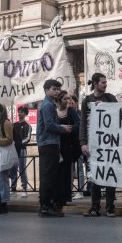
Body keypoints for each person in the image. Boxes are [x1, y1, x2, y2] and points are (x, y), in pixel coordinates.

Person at [80, 72, 118, 217]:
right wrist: (83, 143)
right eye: (103, 82)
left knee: (109, 175)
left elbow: (121, 113)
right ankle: (95, 207)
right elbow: (83, 122)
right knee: (94, 176)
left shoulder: (110, 98)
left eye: (105, 82)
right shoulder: (86, 101)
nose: (105, 84)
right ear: (95, 84)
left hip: (109, 144)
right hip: (92, 144)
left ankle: (110, 207)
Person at [38, 78, 71, 217]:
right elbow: (49, 125)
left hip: (50, 143)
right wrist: (63, 129)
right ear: (46, 90)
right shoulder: (48, 105)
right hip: (48, 143)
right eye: (54, 89)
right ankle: (45, 207)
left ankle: (48, 205)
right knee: (48, 176)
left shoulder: (49, 104)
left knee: (50, 175)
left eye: (58, 89)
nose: (57, 91)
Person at [54, 90, 80, 210]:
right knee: (57, 172)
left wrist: (70, 129)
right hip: (57, 145)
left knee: (66, 171)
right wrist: (60, 128)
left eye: (68, 99)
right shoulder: (54, 112)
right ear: (59, 100)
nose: (68, 101)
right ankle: (58, 197)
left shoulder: (71, 111)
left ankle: (65, 197)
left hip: (68, 145)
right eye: (65, 99)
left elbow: (78, 124)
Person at [10, 105, 32, 197]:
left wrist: (19, 143)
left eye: (22, 112)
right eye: (19, 111)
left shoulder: (27, 125)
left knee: (22, 168)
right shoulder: (13, 125)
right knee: (13, 168)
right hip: (13, 149)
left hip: (22, 149)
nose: (19, 113)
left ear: (25, 113)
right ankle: (13, 187)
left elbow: (28, 138)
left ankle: (24, 187)